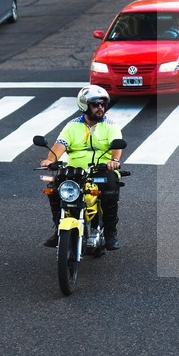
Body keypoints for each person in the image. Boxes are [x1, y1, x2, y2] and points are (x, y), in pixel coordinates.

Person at [40, 85, 124, 250]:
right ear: (84, 106)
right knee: (54, 189)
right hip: (75, 172)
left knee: (110, 189)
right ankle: (59, 229)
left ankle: (110, 233)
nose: (101, 107)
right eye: (96, 104)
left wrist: (114, 160)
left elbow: (117, 146)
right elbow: (60, 145)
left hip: (101, 170)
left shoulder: (110, 125)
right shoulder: (72, 126)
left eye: (103, 103)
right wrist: (50, 160)